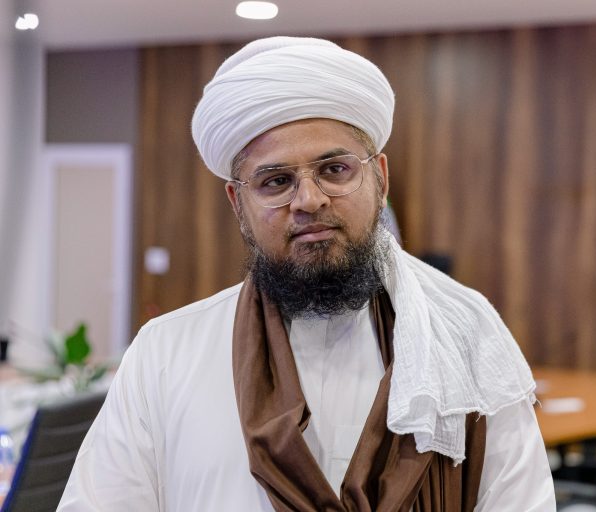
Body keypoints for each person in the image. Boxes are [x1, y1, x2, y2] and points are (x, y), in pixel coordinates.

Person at [58, 36, 555, 511]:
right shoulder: (166, 353)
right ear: (237, 203)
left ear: (380, 179)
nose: (309, 200)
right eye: (276, 181)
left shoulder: (468, 338)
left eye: (335, 170)